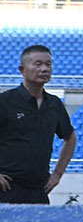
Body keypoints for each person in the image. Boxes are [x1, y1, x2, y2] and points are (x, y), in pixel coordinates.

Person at [0, 45, 77, 204]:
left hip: (39, 190)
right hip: (7, 189)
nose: (44, 69)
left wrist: (57, 175)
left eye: (48, 64)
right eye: (38, 64)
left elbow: (70, 137)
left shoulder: (54, 104)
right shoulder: (5, 101)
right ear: (22, 70)